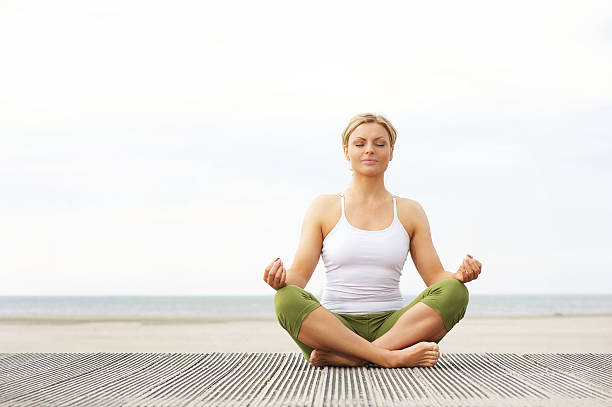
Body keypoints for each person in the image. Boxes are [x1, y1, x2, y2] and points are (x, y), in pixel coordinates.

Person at [263, 113, 482, 368]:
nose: (370, 150)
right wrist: (277, 280)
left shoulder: (410, 210)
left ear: (391, 152)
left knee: (455, 292)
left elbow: (435, 277)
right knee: (285, 298)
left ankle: (353, 358)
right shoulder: (323, 207)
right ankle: (387, 357)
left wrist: (461, 275)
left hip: (394, 328)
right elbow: (298, 276)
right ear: (346, 151)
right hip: (334, 327)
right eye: (359, 144)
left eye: (380, 144)